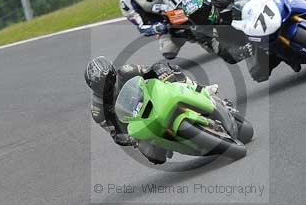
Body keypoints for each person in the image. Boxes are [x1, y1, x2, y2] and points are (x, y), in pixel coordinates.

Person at [182, 0, 306, 82]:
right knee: (258, 74)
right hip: (248, 40)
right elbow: (223, 52)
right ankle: (285, 55)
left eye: (201, 13)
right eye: (196, 17)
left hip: (258, 15)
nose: (200, 18)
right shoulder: (202, 32)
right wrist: (242, 50)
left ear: (209, 4)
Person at [84, 56, 217, 164]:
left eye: (108, 80)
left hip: (151, 99)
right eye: (100, 85)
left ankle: (201, 89)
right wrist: (129, 139)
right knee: (156, 156)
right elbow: (114, 133)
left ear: (113, 73)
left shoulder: (126, 71)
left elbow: (151, 69)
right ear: (93, 87)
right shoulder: (98, 110)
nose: (106, 86)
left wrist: (161, 70)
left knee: (173, 70)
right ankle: (184, 144)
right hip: (136, 124)